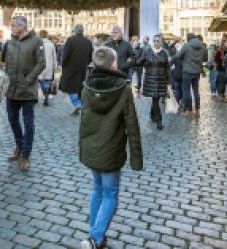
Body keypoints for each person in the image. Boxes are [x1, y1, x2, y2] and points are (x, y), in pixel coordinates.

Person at [78, 47, 143, 249]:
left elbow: (84, 120)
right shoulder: (123, 87)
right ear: (114, 64)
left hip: (92, 148)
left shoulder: (87, 85)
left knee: (98, 189)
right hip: (112, 149)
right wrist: (136, 157)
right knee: (110, 194)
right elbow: (131, 123)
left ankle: (95, 234)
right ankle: (95, 237)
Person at [3, 16, 46, 171]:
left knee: (28, 123)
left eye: (13, 25)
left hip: (28, 90)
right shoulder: (9, 42)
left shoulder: (36, 41)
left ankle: (26, 155)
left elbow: (41, 63)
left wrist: (29, 80)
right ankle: (19, 146)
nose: (12, 28)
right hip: (12, 89)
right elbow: (5, 62)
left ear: (23, 26)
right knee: (12, 120)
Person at [137, 34, 171, 129]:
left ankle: (152, 115)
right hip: (150, 80)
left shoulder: (165, 53)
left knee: (156, 99)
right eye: (154, 41)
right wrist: (139, 57)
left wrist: (170, 81)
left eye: (158, 41)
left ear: (161, 42)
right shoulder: (147, 51)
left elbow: (168, 68)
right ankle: (159, 120)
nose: (156, 43)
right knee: (155, 99)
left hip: (161, 80)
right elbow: (139, 62)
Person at [60, 25, 94, 116]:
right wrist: (85, 63)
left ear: (75, 31)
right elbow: (91, 57)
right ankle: (79, 105)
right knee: (80, 87)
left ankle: (77, 104)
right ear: (83, 31)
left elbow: (65, 55)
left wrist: (63, 65)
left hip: (70, 68)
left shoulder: (70, 40)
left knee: (69, 86)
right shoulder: (88, 42)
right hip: (82, 68)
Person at [174, 33, 207, 116]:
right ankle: (197, 110)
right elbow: (205, 59)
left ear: (188, 38)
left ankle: (189, 110)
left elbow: (178, 56)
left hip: (187, 72)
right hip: (197, 72)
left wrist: (184, 58)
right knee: (196, 91)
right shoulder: (203, 46)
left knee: (186, 91)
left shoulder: (187, 46)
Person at [37, 30, 57, 106]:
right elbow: (54, 56)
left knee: (41, 80)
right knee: (47, 81)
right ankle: (46, 96)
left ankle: (45, 94)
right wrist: (55, 66)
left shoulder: (37, 44)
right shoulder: (51, 44)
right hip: (49, 66)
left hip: (40, 66)